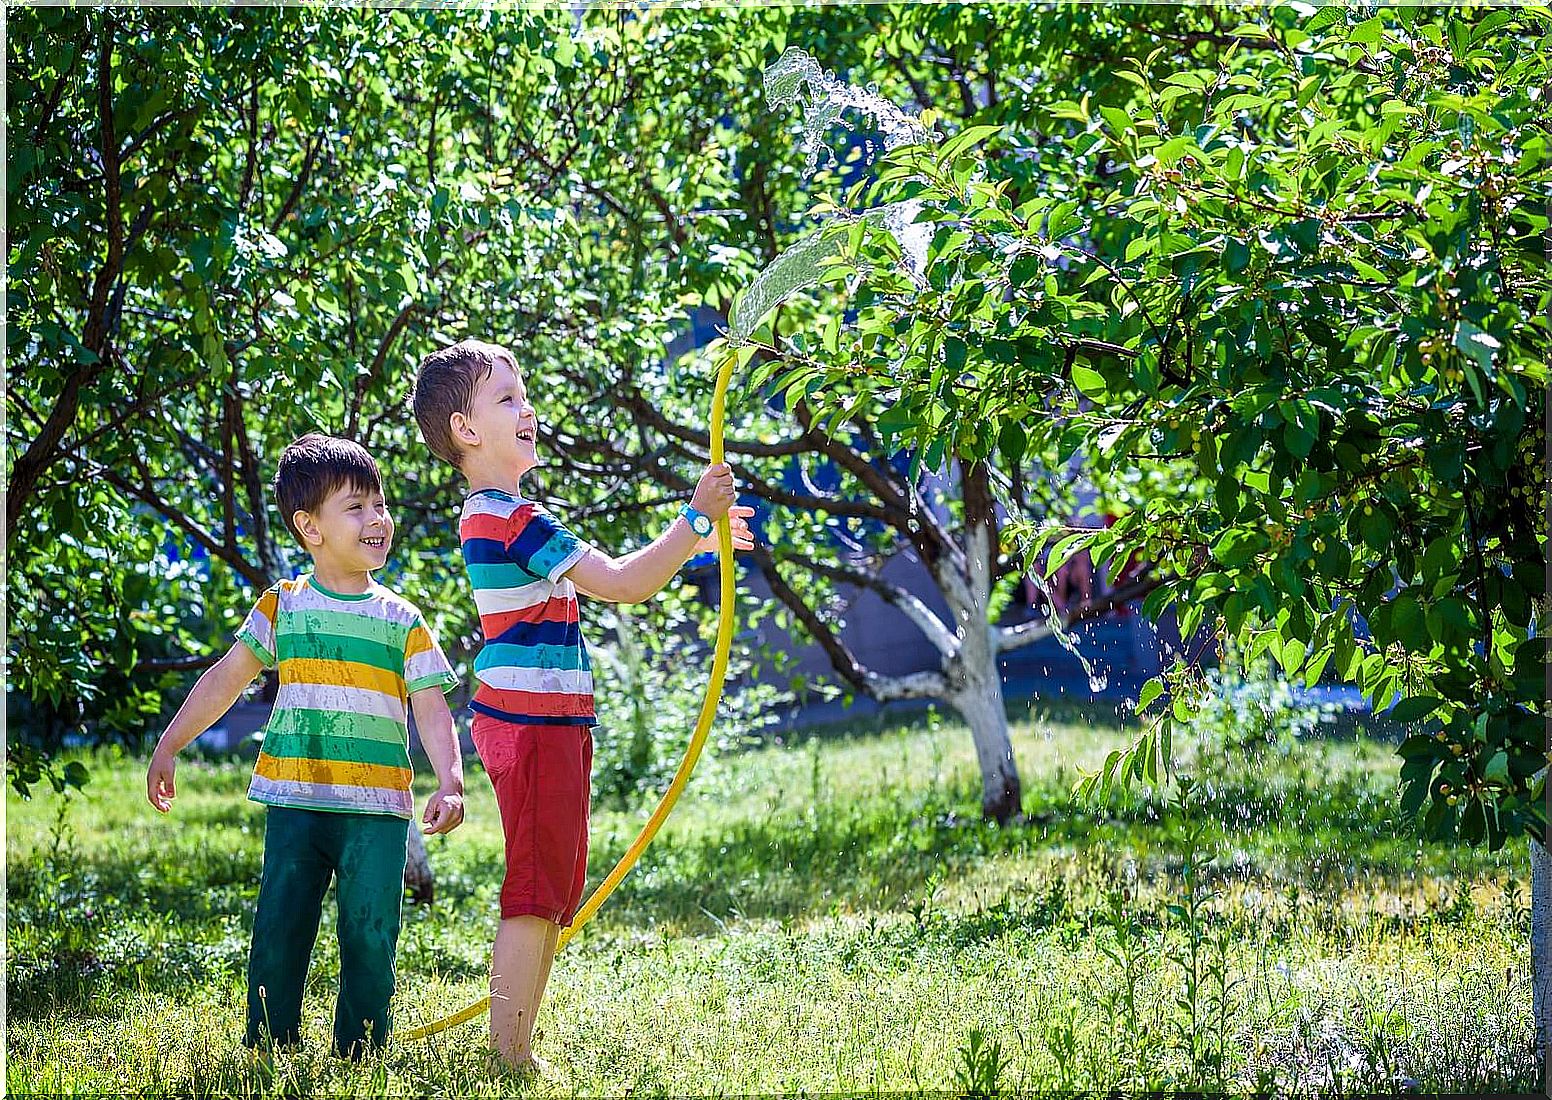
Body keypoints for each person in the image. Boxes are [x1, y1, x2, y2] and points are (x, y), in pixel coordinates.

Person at [411, 338, 754, 1073]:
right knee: (536, 888)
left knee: (555, 887)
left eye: (523, 392)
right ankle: (507, 1056)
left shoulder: (506, 514)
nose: (526, 408)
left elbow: (625, 573)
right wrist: (693, 520)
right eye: (506, 398)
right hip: (531, 726)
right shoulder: (511, 519)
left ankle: (516, 1044)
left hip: (549, 721)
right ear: (467, 431)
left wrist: (693, 542)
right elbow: (625, 583)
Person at [145, 433, 465, 1059]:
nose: (377, 519)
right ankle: (270, 1046)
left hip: (377, 811)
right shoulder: (283, 607)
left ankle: (363, 1052)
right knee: (280, 929)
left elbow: (432, 708)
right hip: (296, 801)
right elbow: (226, 679)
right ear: (308, 527)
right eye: (356, 506)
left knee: (371, 935)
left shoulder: (403, 620)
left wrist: (450, 779)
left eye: (380, 504)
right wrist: (171, 743)